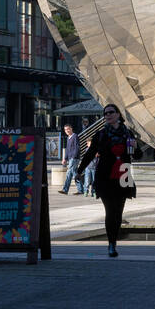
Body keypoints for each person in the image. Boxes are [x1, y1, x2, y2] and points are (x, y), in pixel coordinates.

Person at [76, 104, 136, 257]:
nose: (107, 115)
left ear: (118, 114)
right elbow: (90, 153)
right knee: (110, 211)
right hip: (105, 177)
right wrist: (80, 170)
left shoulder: (128, 134)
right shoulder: (101, 134)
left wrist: (135, 148)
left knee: (118, 212)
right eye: (105, 113)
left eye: (110, 112)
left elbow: (137, 156)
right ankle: (111, 244)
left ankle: (113, 241)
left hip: (123, 175)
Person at [59, 123, 83, 194]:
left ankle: (65, 190)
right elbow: (67, 150)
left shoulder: (75, 136)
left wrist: (74, 156)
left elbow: (77, 147)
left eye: (68, 129)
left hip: (74, 158)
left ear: (71, 129)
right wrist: (65, 159)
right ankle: (80, 190)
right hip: (70, 158)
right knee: (74, 174)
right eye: (65, 130)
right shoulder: (68, 138)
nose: (67, 131)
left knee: (69, 173)